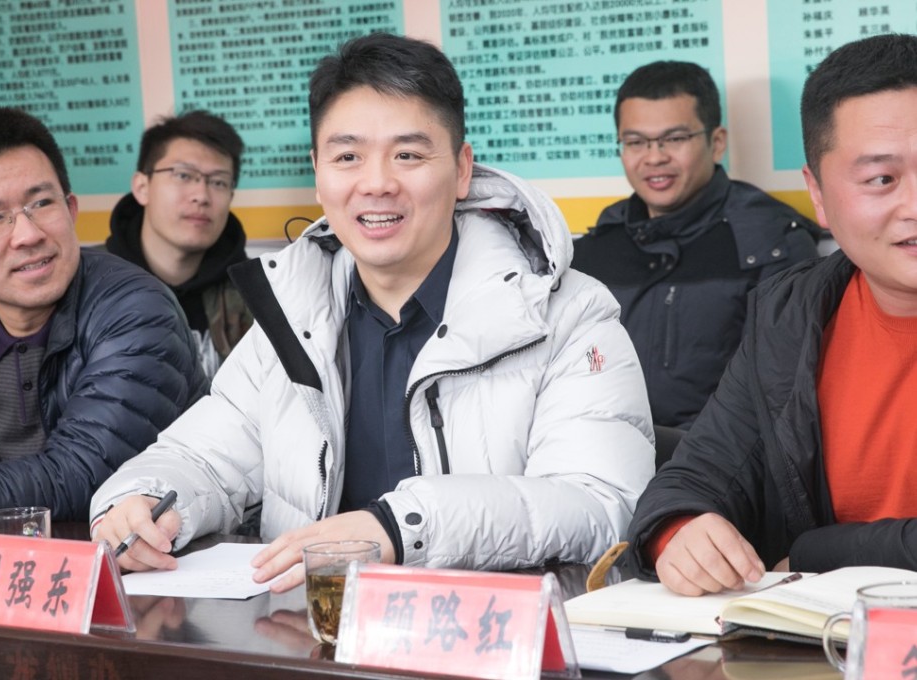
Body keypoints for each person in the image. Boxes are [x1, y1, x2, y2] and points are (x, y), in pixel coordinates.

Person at [91, 32, 655, 591]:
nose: (378, 183)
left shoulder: (567, 316)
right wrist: (137, 501)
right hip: (311, 640)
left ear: (462, 170)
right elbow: (202, 457)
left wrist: (398, 528)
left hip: (488, 648)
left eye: (408, 155)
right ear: (318, 172)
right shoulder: (294, 314)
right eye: (348, 157)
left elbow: (600, 505)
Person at [626, 33, 917, 595]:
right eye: (882, 179)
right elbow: (696, 474)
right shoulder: (792, 314)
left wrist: (813, 553)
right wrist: (679, 532)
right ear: (820, 196)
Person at [0, 107, 207, 536]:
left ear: (71, 208)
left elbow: (82, 477)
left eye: (41, 203)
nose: (27, 233)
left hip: (148, 582)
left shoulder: (137, 311)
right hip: (2, 585)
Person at [572, 61, 820, 428]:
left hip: (711, 473)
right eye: (636, 142)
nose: (654, 157)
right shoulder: (596, 246)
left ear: (716, 142)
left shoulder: (772, 242)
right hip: (597, 460)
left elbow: (777, 397)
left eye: (674, 139)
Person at [106, 110, 253, 377]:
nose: (201, 196)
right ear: (142, 187)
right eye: (184, 175)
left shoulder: (256, 293)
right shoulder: (92, 285)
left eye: (218, 182)